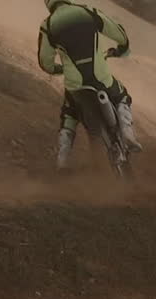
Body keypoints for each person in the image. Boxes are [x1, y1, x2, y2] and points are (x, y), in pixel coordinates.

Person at [37, 0, 143, 171]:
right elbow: (118, 33)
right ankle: (127, 132)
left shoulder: (47, 26)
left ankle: (62, 159)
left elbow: (45, 64)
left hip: (76, 86)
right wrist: (122, 48)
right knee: (122, 95)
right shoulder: (87, 12)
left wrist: (60, 69)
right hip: (101, 79)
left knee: (69, 113)